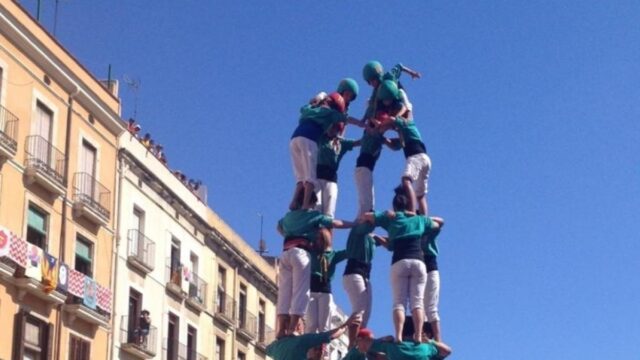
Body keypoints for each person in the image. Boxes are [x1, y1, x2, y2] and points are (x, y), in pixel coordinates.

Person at [359, 190, 439, 343]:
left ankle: (400, 336)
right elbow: (437, 224)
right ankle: (417, 335)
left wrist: (387, 215)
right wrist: (417, 218)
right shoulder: (419, 219)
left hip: (399, 261)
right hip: (418, 261)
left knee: (399, 302)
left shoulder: (392, 218)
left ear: (394, 206)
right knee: (417, 301)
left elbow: (366, 216)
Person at [276, 191, 355, 338]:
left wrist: (290, 234)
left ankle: (281, 330)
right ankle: (293, 327)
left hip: (286, 252)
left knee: (285, 293)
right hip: (301, 252)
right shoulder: (312, 215)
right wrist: (354, 224)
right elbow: (335, 223)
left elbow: (278, 227)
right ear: (310, 202)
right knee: (301, 292)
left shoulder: (288, 216)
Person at [289, 92, 347, 210]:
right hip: (309, 139)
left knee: (300, 177)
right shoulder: (329, 113)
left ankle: (294, 202)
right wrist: (363, 123)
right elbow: (345, 118)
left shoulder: (309, 109)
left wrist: (314, 101)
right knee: (311, 177)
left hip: (294, 139)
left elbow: (303, 108)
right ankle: (305, 206)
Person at [376, 111, 432, 215]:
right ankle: (423, 219)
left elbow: (392, 119)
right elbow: (395, 146)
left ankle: (411, 212)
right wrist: (384, 140)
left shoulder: (406, 123)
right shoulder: (405, 134)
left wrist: (380, 126)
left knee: (405, 180)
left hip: (416, 157)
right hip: (425, 159)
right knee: (420, 195)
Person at [341, 223, 379, 347]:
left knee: (365, 315)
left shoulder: (371, 239)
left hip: (366, 276)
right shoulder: (357, 232)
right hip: (354, 273)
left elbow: (389, 243)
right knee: (359, 310)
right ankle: (351, 345)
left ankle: (359, 344)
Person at [266, 312, 361, 360]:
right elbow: (329, 335)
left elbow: (267, 349)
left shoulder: (275, 346)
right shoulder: (302, 340)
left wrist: (280, 334)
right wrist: (346, 326)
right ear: (298, 326)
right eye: (302, 322)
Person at [306, 228, 348, 337]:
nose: (318, 241)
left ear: (326, 240)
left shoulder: (332, 255)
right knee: (311, 324)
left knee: (323, 326)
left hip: (325, 291)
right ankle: (310, 350)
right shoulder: (310, 252)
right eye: (317, 239)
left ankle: (322, 350)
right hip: (311, 289)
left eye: (321, 239)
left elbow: (349, 251)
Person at [316, 123, 361, 217]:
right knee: (316, 207)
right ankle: (315, 230)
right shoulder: (321, 138)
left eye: (335, 128)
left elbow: (358, 142)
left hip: (331, 177)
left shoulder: (341, 143)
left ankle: (328, 230)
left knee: (329, 209)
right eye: (331, 127)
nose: (332, 130)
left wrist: (372, 133)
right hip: (318, 176)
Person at [355, 328, 452, 359]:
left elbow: (365, 345)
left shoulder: (392, 345)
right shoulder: (427, 347)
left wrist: (385, 338)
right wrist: (430, 341)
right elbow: (447, 351)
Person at [421, 218, 445, 341]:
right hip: (419, 270)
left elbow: (441, 222)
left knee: (430, 307)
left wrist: (423, 219)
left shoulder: (429, 230)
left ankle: (437, 340)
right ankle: (422, 336)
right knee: (419, 306)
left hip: (429, 267)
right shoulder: (412, 231)